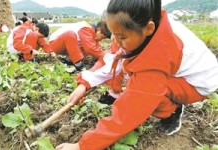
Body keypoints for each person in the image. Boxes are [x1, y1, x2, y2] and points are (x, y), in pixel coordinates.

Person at [55, 0, 218, 149]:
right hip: (178, 70)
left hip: (196, 85)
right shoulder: (139, 25)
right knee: (131, 73)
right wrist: (85, 83)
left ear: (149, 28)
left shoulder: (158, 55)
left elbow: (129, 112)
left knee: (142, 90)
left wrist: (82, 146)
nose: (116, 41)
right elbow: (112, 57)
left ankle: (172, 110)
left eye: (121, 37)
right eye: (113, 34)